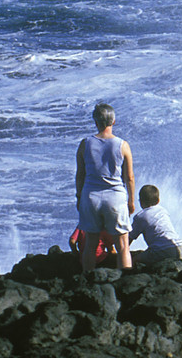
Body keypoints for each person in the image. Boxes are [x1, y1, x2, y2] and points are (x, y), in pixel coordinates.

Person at [74, 102, 136, 271]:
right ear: (113, 121)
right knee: (123, 245)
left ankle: (88, 280)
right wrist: (131, 200)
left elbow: (80, 175)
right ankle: (126, 281)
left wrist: (79, 197)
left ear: (96, 121)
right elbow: (129, 177)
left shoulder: (85, 144)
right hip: (115, 197)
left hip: (90, 196)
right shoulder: (122, 145)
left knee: (90, 245)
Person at [130, 184, 182, 265]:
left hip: (163, 250)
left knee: (135, 260)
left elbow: (129, 238)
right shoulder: (163, 211)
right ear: (158, 200)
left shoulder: (140, 217)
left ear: (140, 202)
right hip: (181, 247)